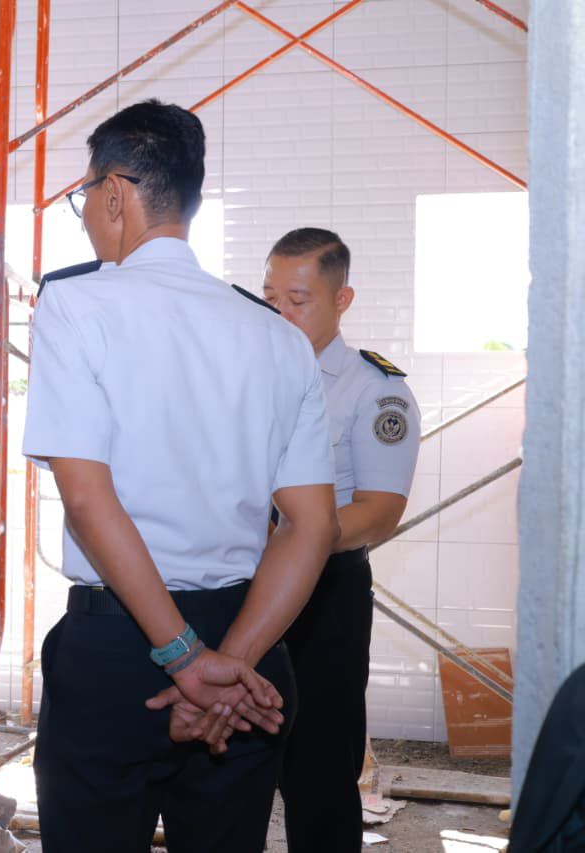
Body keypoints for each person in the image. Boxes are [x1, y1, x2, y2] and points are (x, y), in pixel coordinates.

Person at [21, 99, 340, 853]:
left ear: (114, 194)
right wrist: (230, 664)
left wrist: (184, 660)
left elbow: (88, 500)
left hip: (122, 647)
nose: (85, 216)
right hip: (248, 648)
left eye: (83, 197)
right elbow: (313, 525)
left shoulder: (76, 306)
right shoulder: (277, 336)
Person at [262, 227, 421, 853]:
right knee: (235, 765)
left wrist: (296, 543)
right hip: (241, 579)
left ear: (341, 299)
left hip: (324, 591)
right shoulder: (250, 373)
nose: (281, 312)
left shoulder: (375, 389)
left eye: (297, 300)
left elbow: (380, 512)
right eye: (271, 297)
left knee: (319, 767)